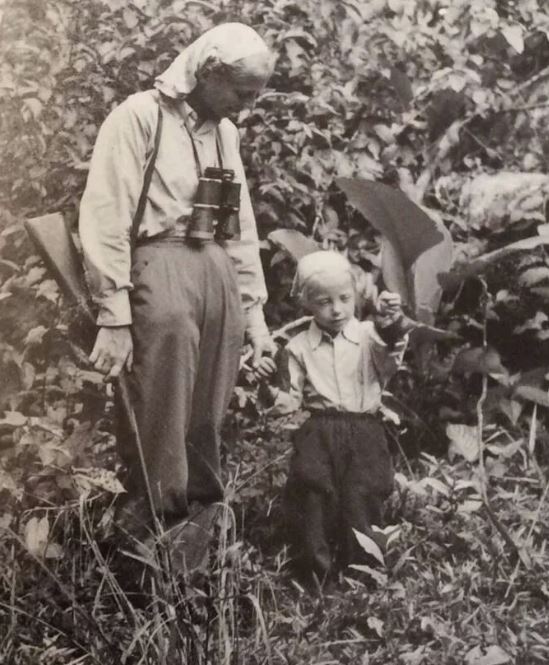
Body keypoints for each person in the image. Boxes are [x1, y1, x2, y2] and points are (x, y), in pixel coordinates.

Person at [78, 23, 276, 539]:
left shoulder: (225, 132)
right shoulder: (140, 117)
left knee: (206, 418)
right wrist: (114, 316)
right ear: (209, 73)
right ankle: (145, 539)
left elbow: (241, 224)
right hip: (159, 269)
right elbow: (106, 214)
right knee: (158, 415)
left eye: (255, 95)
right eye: (242, 93)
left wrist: (253, 314)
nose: (247, 106)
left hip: (216, 270)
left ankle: (197, 545)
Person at [255, 250, 405, 582]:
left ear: (356, 295)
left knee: (363, 493)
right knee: (312, 493)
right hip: (318, 430)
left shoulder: (369, 336)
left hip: (364, 429)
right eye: (324, 302)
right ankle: (313, 574)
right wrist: (266, 383)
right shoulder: (297, 347)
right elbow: (288, 402)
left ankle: (364, 573)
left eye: (344, 298)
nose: (336, 309)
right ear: (306, 302)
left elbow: (389, 359)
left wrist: (390, 321)